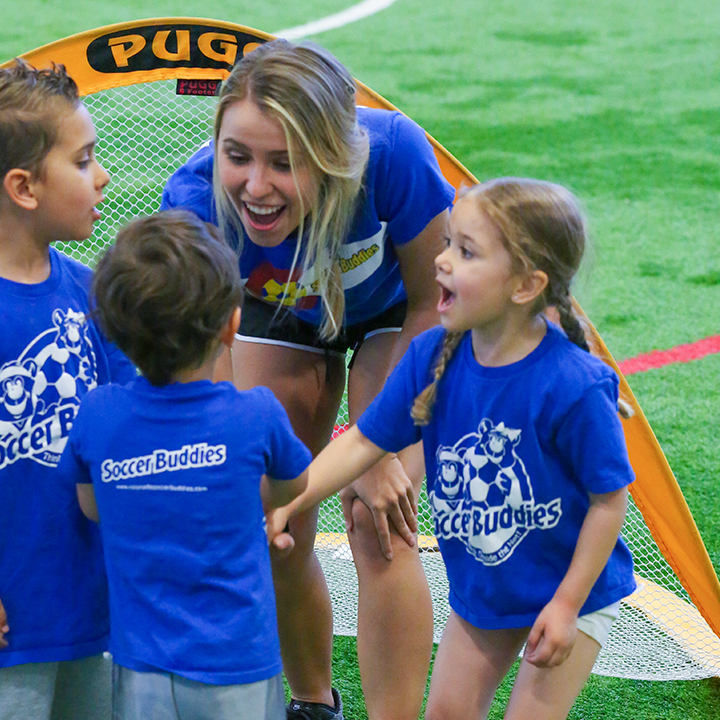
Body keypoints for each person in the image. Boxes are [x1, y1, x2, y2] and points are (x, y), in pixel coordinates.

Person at [267, 178, 637, 720]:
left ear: (525, 285)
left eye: (465, 252)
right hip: (485, 587)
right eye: (447, 243)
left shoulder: (574, 385)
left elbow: (610, 503)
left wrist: (565, 605)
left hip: (571, 592)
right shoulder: (432, 357)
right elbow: (366, 441)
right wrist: (295, 499)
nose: (440, 261)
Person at [161, 39, 455, 720]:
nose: (255, 187)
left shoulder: (395, 155)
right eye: (238, 156)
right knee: (274, 513)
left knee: (379, 509)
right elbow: (206, 366)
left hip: (394, 316)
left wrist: (374, 445)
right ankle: (314, 705)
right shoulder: (193, 205)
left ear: (334, 156)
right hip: (273, 314)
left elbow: (431, 302)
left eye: (284, 163)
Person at [57, 210, 311, 720]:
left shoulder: (97, 415)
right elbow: (294, 485)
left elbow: (92, 506)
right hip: (237, 662)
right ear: (232, 324)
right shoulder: (256, 413)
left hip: (140, 664)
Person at [0, 60, 136, 719]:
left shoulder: (92, 293)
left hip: (90, 609)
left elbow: (128, 435)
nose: (102, 175)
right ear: (23, 187)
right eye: (83, 161)